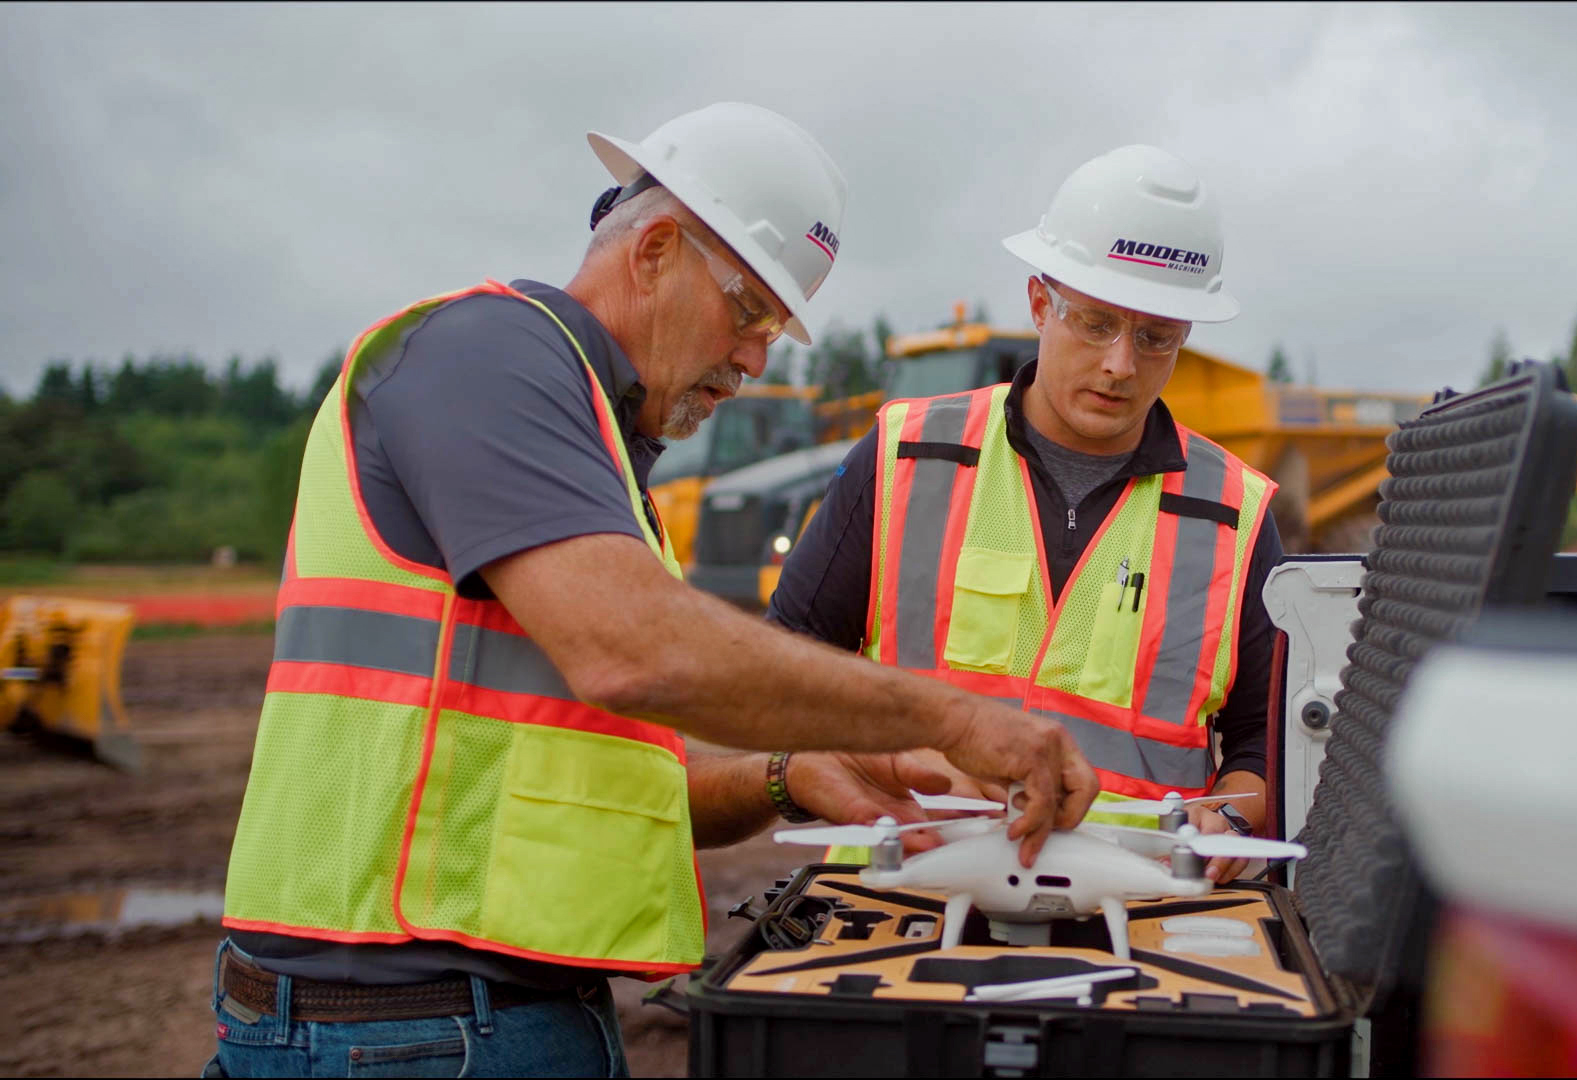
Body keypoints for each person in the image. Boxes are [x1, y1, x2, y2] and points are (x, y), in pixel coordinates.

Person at [208, 102, 1096, 1078]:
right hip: (404, 1033)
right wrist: (953, 716)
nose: (757, 359)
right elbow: (637, 651)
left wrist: (784, 775)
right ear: (656, 248)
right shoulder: (490, 353)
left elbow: (601, 791)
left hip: (457, 1022)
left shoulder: (600, 457)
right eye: (750, 310)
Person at [769, 144, 1284, 881]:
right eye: (1097, 324)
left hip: (1131, 916)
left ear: (1185, 338)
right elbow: (785, 667)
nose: (1120, 365)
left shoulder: (1234, 512)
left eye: (1155, 338)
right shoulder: (908, 455)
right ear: (1040, 303)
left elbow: (1264, 747)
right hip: (903, 899)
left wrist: (1230, 814)